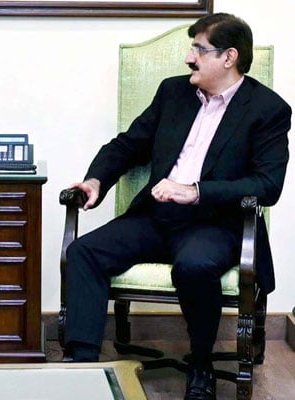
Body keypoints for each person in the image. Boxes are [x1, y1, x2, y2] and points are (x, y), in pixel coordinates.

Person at [62, 13, 290, 400]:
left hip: (215, 224)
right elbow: (128, 144)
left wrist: (196, 191)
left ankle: (200, 364)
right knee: (84, 252)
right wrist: (96, 179)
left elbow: (267, 185)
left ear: (229, 57)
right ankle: (82, 365)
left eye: (199, 49)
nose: (189, 58)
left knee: (195, 266)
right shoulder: (173, 93)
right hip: (157, 216)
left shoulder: (267, 109)